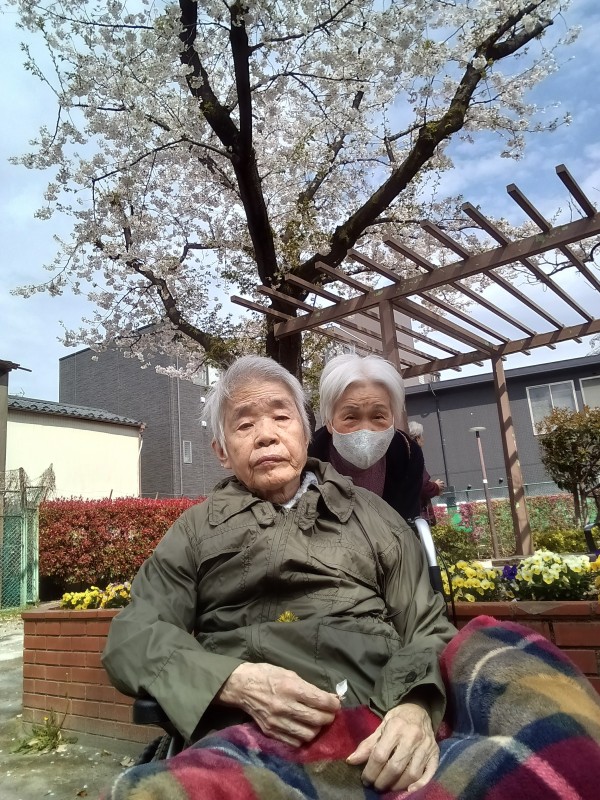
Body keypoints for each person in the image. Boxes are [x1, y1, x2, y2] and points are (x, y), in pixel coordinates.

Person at [102, 355, 456, 795]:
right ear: (221, 452)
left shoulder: (373, 515)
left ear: (306, 434)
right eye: (244, 424)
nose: (266, 434)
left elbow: (427, 628)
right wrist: (233, 682)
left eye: (281, 417)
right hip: (244, 735)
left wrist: (414, 706)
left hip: (376, 724)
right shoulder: (194, 531)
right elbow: (133, 637)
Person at [308, 353, 424, 523]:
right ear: (329, 422)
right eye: (351, 417)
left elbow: (407, 522)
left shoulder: (407, 455)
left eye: (378, 416)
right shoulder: (306, 461)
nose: (365, 430)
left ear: (393, 418)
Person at [408, 421, 446, 526]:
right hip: (417, 516)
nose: (423, 439)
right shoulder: (414, 455)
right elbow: (422, 486)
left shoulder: (403, 453)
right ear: (417, 437)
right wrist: (436, 487)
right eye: (421, 436)